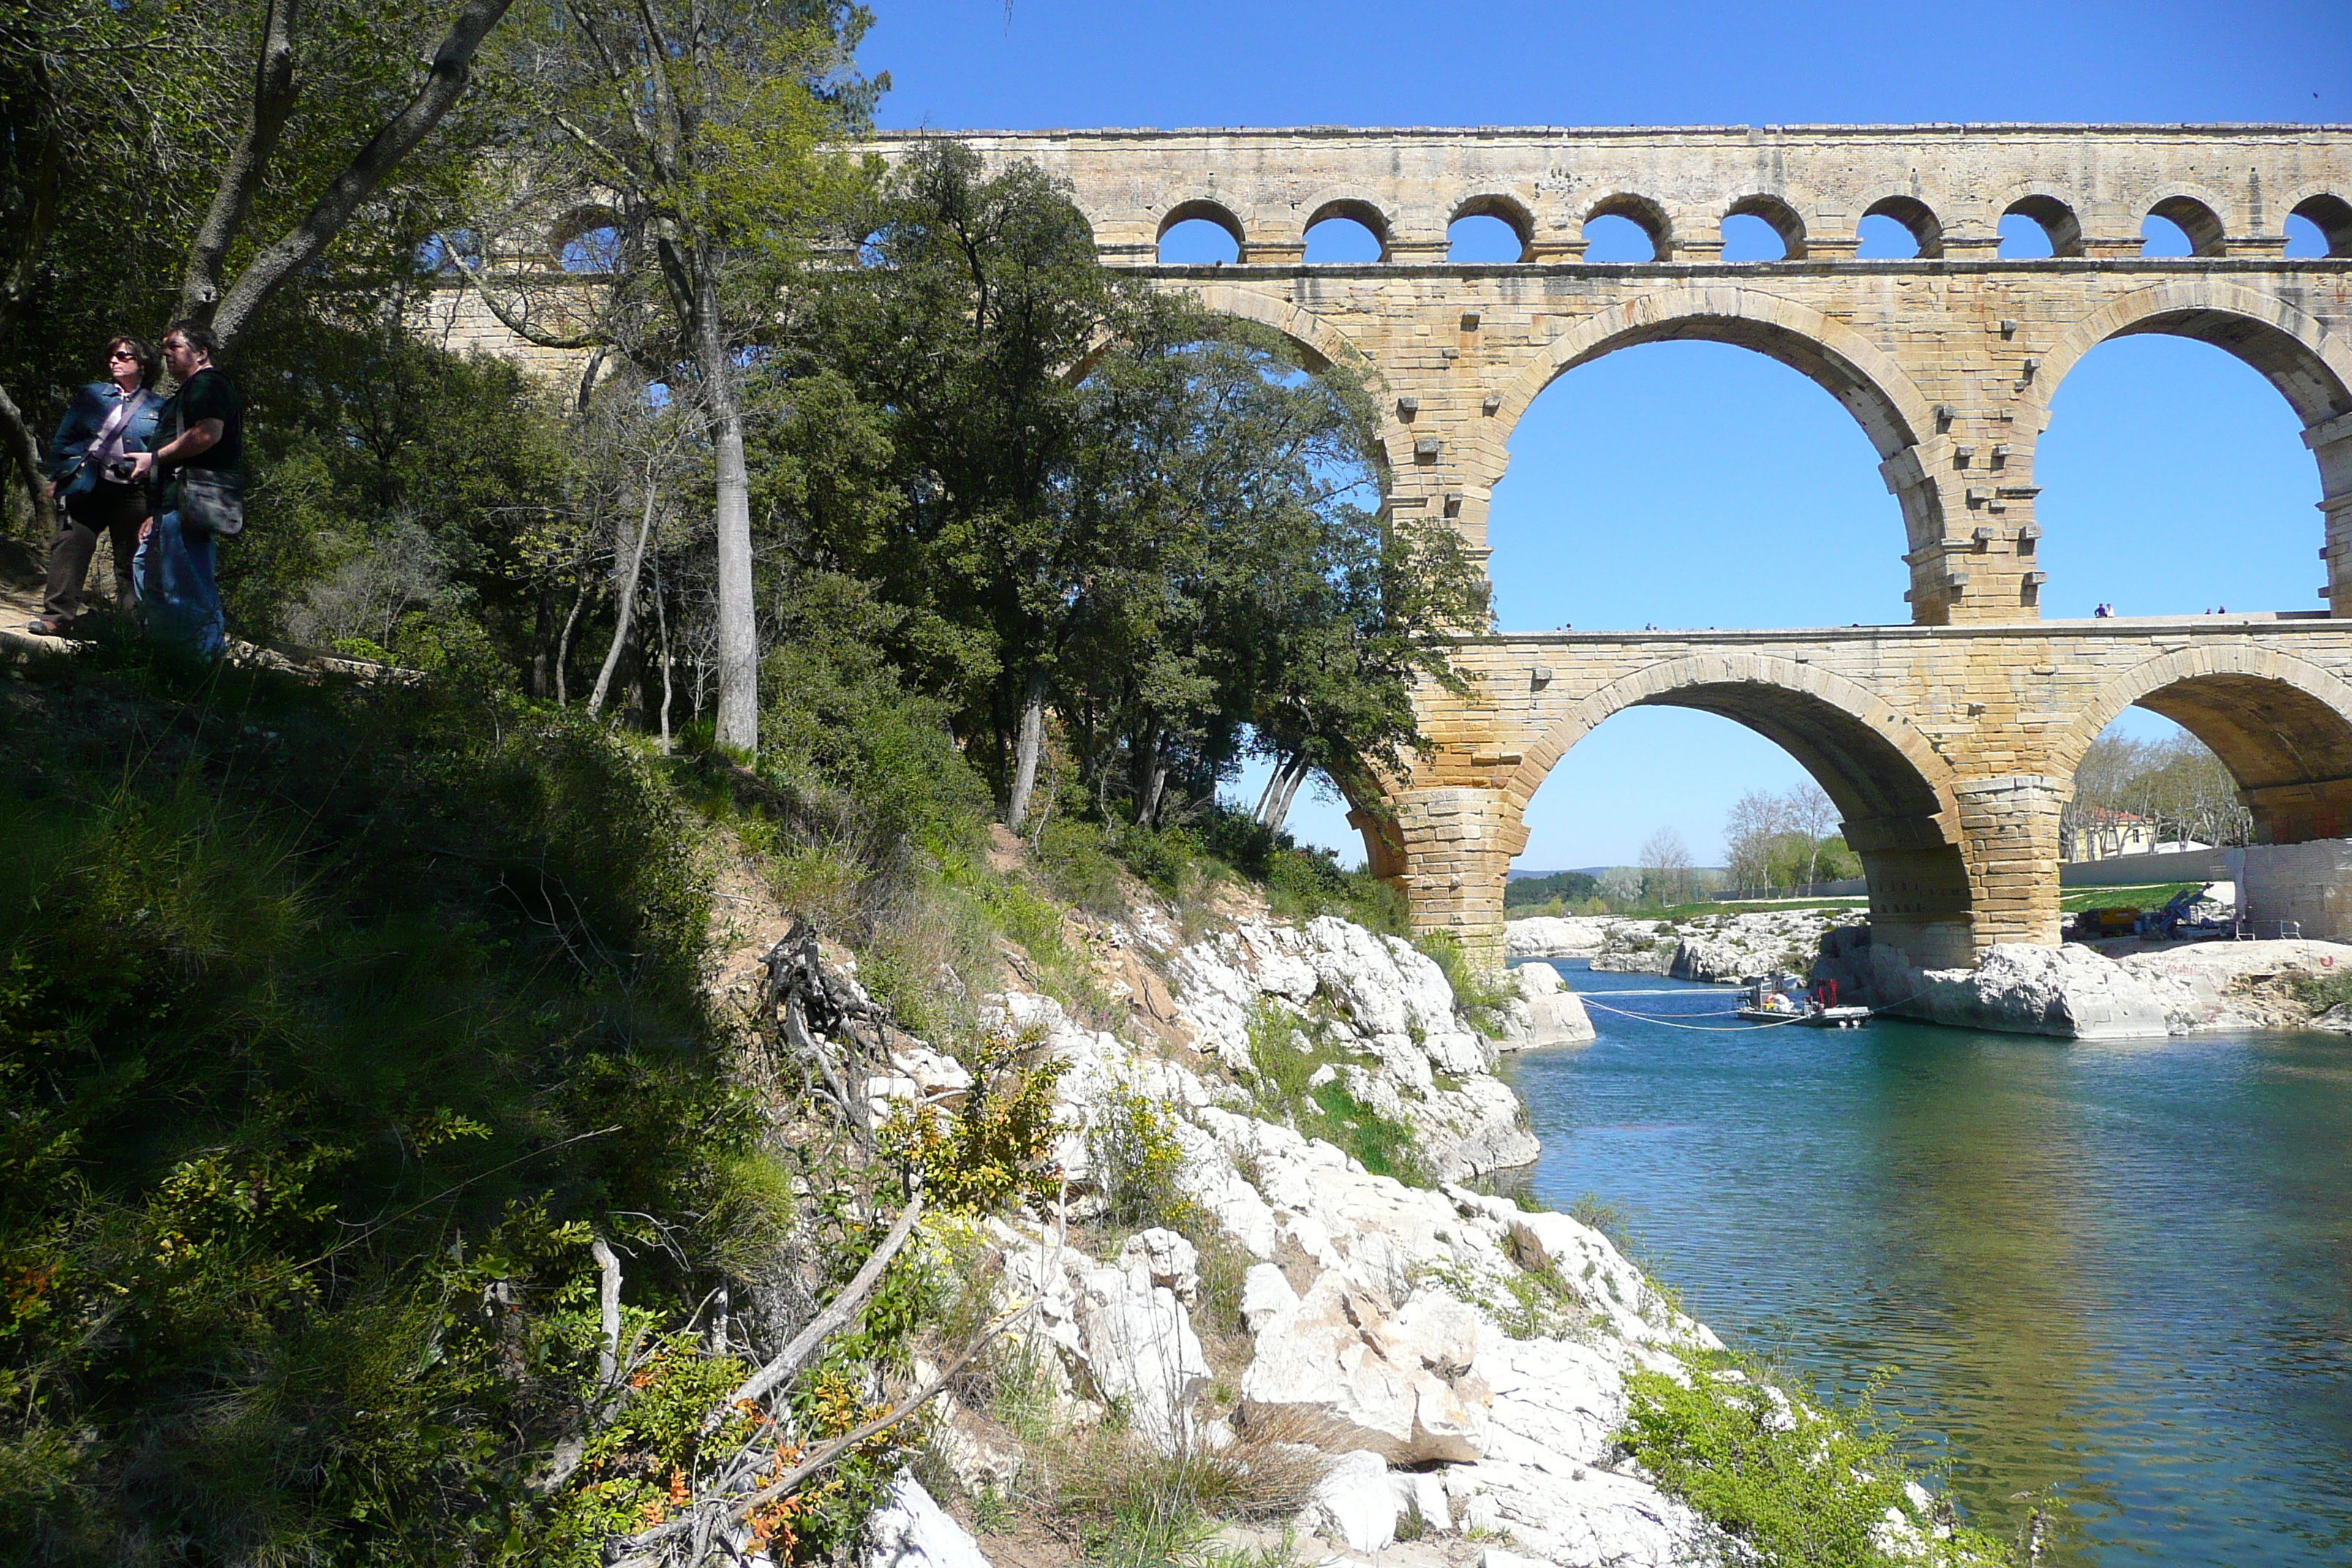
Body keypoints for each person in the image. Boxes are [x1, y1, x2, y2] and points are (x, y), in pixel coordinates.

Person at [29, 336, 162, 636]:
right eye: (112, 355)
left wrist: (158, 505)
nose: (114, 360)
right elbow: (65, 438)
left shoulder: (159, 407)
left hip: (133, 493)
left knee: (131, 560)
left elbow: (162, 458)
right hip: (88, 485)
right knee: (70, 546)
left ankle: (130, 631)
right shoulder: (91, 395)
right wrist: (58, 475)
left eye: (124, 356)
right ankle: (56, 617)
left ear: (142, 364)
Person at [129, 320, 241, 657]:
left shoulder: (208, 384)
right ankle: (163, 651)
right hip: (172, 504)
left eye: (174, 347)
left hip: (189, 504)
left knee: (188, 584)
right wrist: (157, 511)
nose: (166, 355)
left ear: (201, 352)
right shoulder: (190, 390)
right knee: (148, 570)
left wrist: (154, 458)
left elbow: (208, 433)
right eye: (164, 350)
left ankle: (200, 663)